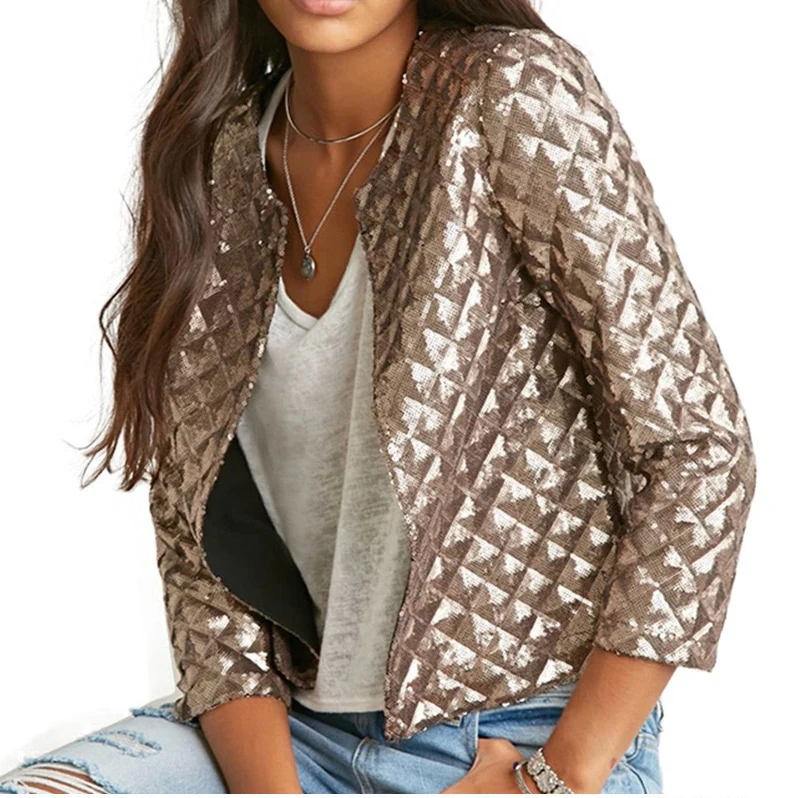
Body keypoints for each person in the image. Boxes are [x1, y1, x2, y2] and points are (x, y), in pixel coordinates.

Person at [0, 0, 757, 794]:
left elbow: (699, 448)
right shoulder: (211, 152)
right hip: (292, 739)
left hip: (517, 741)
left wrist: (558, 774)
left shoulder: (512, 92)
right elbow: (198, 538)